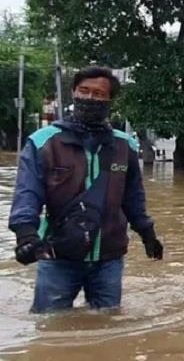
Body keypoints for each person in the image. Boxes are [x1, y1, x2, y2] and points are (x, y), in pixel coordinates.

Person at [8, 66, 164, 313]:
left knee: (109, 324)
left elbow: (133, 197)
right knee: (50, 326)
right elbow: (27, 193)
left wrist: (147, 233)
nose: (91, 98)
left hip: (109, 258)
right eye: (84, 91)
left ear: (110, 100)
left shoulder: (125, 146)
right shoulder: (43, 141)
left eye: (99, 94)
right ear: (73, 93)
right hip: (59, 255)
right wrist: (25, 234)